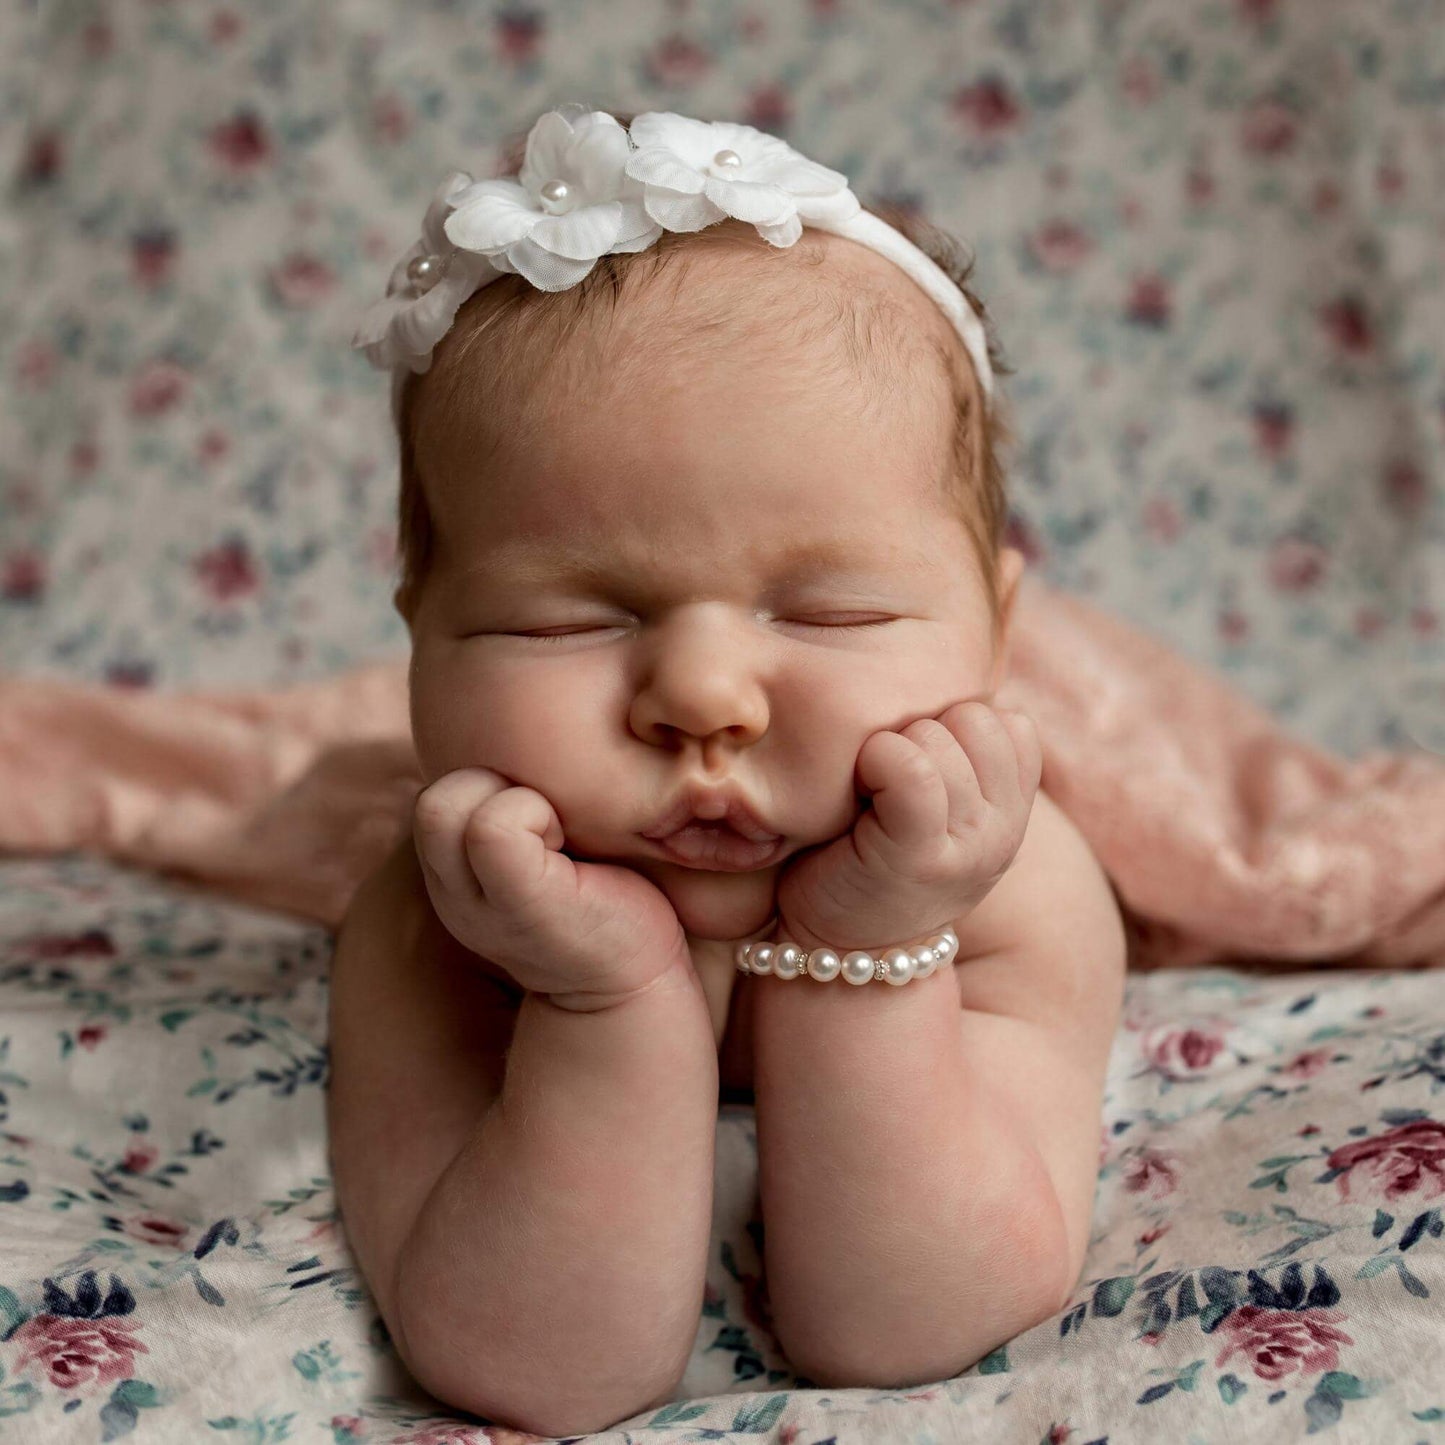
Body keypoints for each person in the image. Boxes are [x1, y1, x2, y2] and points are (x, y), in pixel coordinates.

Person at [327, 105, 1126, 1437]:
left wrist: (871, 942)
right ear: (418, 628)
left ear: (994, 629)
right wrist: (603, 1001)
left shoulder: (1013, 885)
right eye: (562, 620)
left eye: (828, 614)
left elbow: (906, 1325)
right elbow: (538, 1370)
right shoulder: (437, 916)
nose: (701, 696)